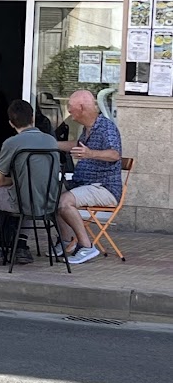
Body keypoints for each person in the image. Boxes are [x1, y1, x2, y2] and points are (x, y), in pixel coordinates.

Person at [0, 99, 59, 265]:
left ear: (10, 123)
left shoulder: (11, 143)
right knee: (30, 187)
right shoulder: (51, 141)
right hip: (47, 203)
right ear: (32, 118)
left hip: (18, 203)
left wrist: (11, 180)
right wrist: (18, 180)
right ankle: (21, 244)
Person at [55, 89, 122, 265]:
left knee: (65, 201)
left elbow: (115, 154)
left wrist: (90, 153)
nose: (69, 113)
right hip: (84, 184)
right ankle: (67, 242)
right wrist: (50, 144)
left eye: (71, 108)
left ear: (82, 108)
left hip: (104, 187)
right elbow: (75, 145)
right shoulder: (87, 129)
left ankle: (86, 246)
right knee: (50, 193)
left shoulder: (106, 127)